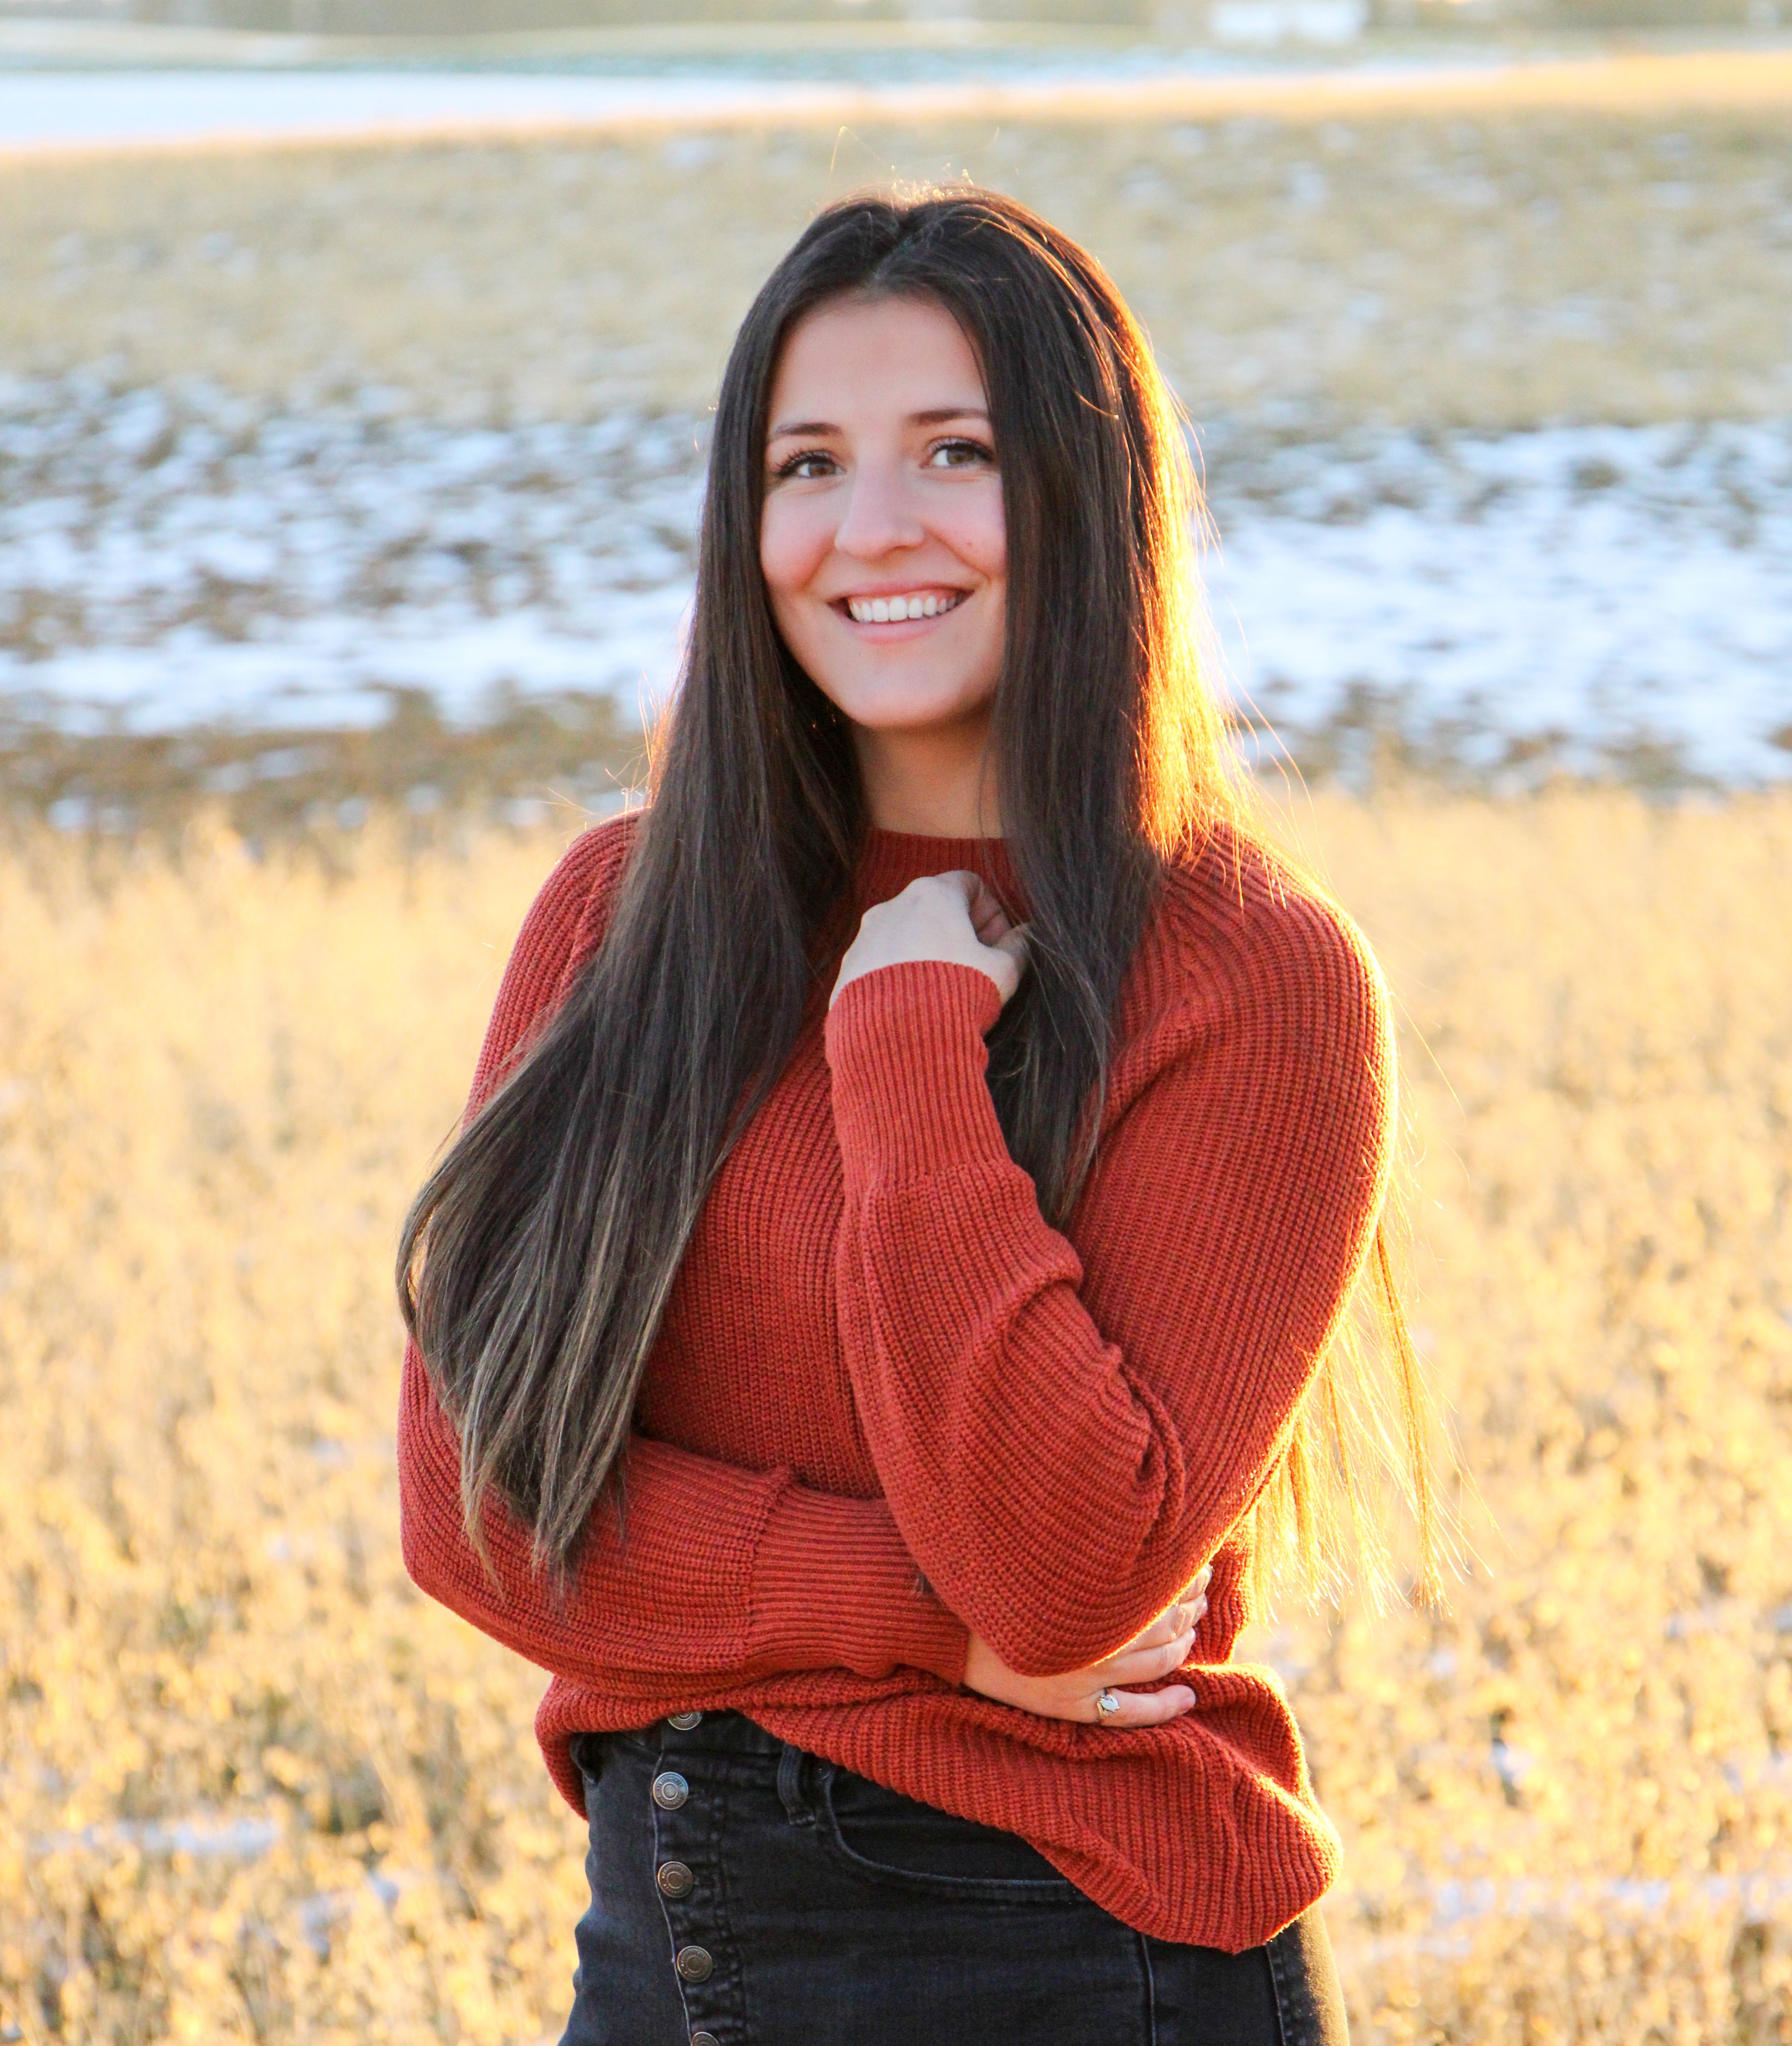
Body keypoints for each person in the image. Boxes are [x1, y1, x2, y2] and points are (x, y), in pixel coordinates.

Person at [395, 189, 1440, 2046]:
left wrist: (903, 1043)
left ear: (1087, 492)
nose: (872, 527)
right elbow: (475, 1504)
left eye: (955, 451)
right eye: (807, 464)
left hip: (1066, 1958)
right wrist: (923, 1621)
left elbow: (1063, 1577)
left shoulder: (1248, 974)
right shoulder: (622, 920)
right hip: (663, 1945)